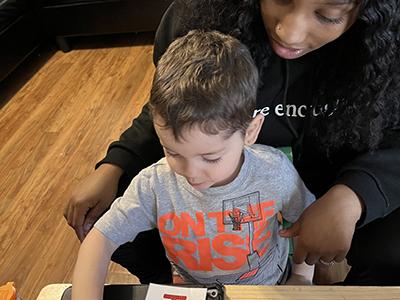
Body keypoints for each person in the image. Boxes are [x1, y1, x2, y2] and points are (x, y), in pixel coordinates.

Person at [65, 0, 400, 285]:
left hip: (334, 167)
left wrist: (354, 195)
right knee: (101, 211)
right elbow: (175, 112)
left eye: (327, 15)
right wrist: (116, 163)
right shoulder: (198, 18)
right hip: (230, 164)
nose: (290, 34)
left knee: (391, 251)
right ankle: (173, 281)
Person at [72, 30, 316, 299]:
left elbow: (308, 222)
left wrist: (302, 277)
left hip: (266, 288)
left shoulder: (275, 173)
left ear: (250, 131)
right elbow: (101, 239)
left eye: (211, 158)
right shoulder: (154, 184)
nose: (190, 173)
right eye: (172, 152)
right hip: (193, 290)